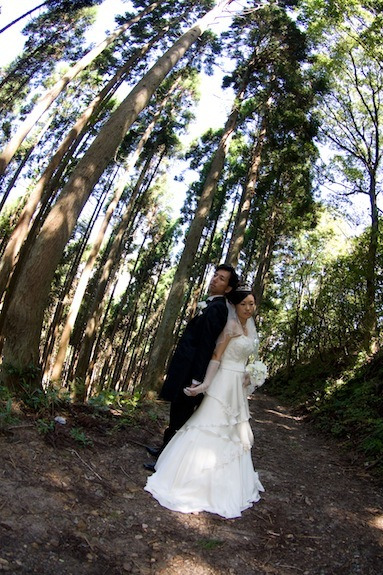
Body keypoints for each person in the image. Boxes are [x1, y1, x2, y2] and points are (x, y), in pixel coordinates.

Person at [144, 286, 267, 519]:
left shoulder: (250, 328)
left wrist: (252, 374)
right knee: (208, 424)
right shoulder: (230, 327)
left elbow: (249, 359)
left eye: (252, 303)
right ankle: (188, 478)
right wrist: (205, 384)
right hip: (222, 383)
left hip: (237, 387)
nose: (249, 308)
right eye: (244, 304)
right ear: (235, 306)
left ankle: (231, 483)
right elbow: (216, 357)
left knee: (235, 431)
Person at [144, 264, 239, 470]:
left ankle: (165, 463)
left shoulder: (218, 309)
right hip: (184, 367)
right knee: (176, 411)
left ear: (228, 288)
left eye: (221, 279)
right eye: (215, 275)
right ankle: (164, 450)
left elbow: (206, 345)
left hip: (191, 372)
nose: (215, 279)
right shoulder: (211, 304)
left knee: (181, 416)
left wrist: (197, 379)